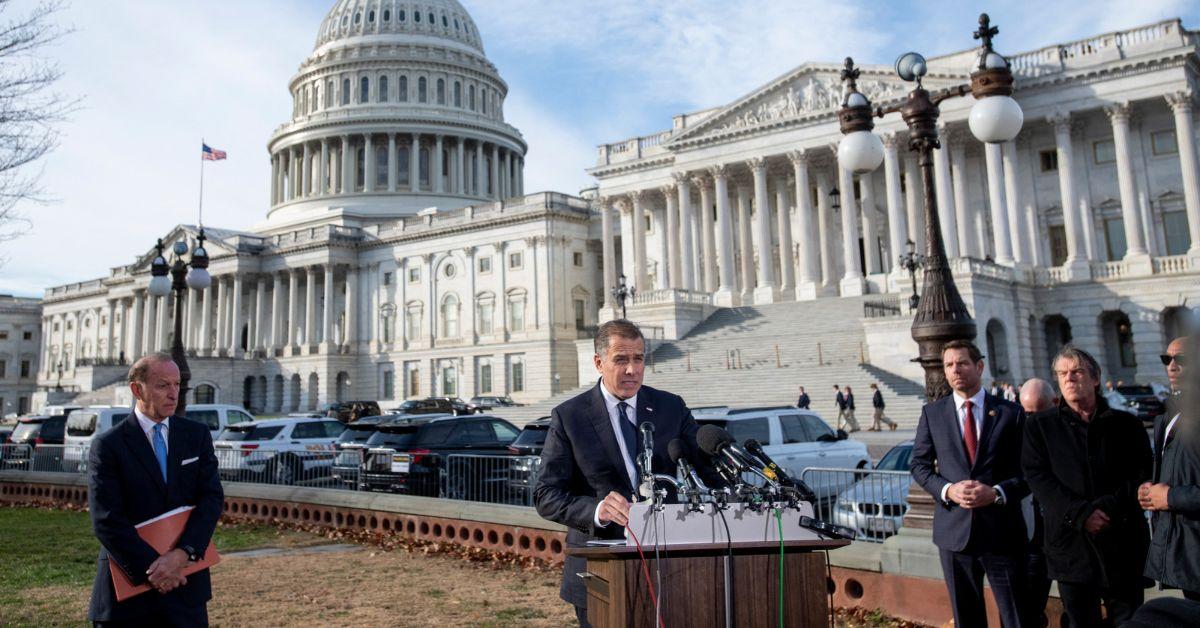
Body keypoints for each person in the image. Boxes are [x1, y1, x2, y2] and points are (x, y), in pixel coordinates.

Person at [533, 320, 722, 627]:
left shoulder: (671, 407)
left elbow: (708, 471)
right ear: (598, 362)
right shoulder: (570, 417)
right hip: (600, 573)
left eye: (638, 359)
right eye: (621, 360)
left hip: (670, 570)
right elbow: (546, 495)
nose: (632, 370)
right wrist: (597, 510)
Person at [87, 353, 223, 626]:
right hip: (128, 591)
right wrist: (157, 569)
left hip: (186, 586)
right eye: (163, 385)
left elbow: (211, 499)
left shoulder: (196, 436)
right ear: (137, 389)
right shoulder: (108, 445)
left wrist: (182, 554)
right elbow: (107, 519)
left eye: (177, 385)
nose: (174, 394)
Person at [1023, 345, 1151, 627]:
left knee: (1131, 621)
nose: (1069, 378)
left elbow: (1141, 473)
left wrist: (1107, 509)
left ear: (1095, 378)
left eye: (1077, 371)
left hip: (1122, 542)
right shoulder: (1040, 427)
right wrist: (1081, 514)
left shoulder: (1127, 425)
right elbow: (1038, 478)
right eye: (1062, 373)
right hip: (1071, 548)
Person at [910, 339, 1030, 627]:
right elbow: (919, 465)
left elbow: (1030, 472)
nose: (955, 370)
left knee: (1017, 617)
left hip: (1003, 533)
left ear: (979, 366)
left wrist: (997, 493)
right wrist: (947, 490)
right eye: (949, 365)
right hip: (954, 535)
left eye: (962, 363)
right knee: (967, 618)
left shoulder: (1011, 413)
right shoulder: (932, 414)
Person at [1141, 336, 1199, 600]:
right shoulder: (1169, 413)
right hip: (1185, 549)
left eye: (1182, 359)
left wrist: (1170, 496)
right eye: (1167, 359)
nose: (1172, 366)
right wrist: (1152, 490)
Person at [1019, 378, 1057, 628]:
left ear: (1054, 404)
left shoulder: (1069, 432)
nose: (1032, 420)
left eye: (1038, 412)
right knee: (1026, 612)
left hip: (1067, 537)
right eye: (1027, 413)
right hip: (1032, 539)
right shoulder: (1018, 434)